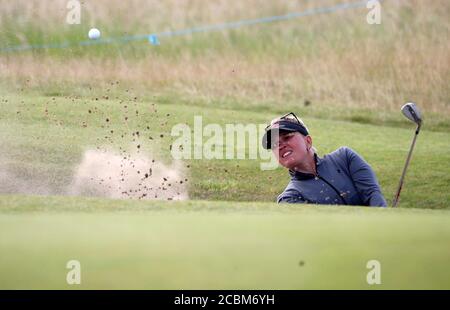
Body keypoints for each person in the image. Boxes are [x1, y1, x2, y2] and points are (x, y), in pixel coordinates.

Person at [262, 112, 387, 207]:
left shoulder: (345, 158)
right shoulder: (290, 198)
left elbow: (373, 195)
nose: (280, 145)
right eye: (274, 144)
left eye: (287, 137)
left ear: (308, 141)